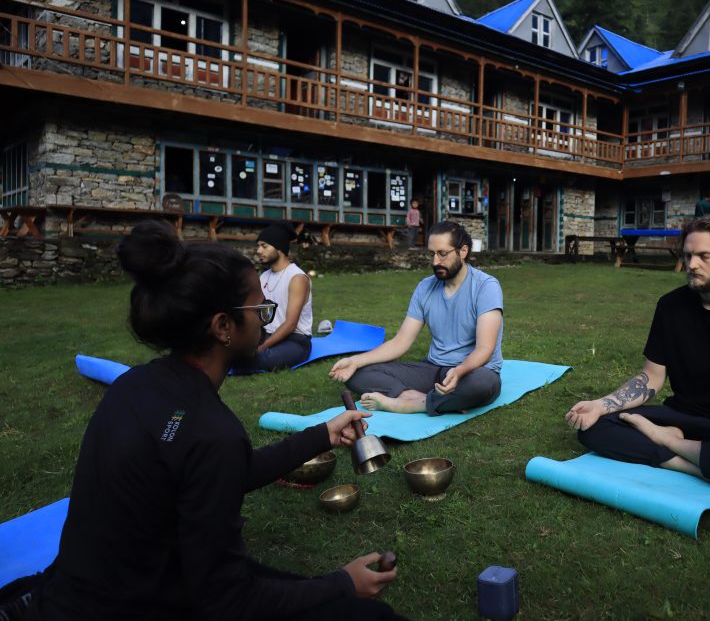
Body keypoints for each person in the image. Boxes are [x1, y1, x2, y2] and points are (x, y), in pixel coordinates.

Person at [3, 220, 405, 620]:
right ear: (223, 327)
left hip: (91, 586)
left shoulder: (135, 384)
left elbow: (216, 473)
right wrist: (342, 584)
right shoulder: (210, 432)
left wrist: (321, 435)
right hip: (137, 604)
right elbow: (227, 602)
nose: (265, 321)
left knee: (294, 587)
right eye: (260, 310)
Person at [565, 213, 710, 493]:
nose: (692, 265)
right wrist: (601, 405)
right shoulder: (671, 307)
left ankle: (668, 443)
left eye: (704, 256)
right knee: (595, 427)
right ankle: (691, 466)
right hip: (681, 415)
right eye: (688, 255)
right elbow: (651, 377)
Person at [330, 220, 503, 416]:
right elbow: (401, 342)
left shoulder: (486, 286)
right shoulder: (425, 288)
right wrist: (355, 361)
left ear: (463, 251)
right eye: (432, 254)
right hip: (433, 369)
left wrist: (460, 371)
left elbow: (485, 349)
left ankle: (414, 404)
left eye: (443, 254)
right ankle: (411, 396)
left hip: (471, 371)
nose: (435, 262)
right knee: (357, 373)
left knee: (482, 384)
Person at [235, 222, 313, 372]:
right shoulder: (264, 276)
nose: (258, 251)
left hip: (295, 340)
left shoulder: (296, 278)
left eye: (264, 246)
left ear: (279, 248)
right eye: (258, 246)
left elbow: (290, 325)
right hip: (266, 334)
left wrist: (260, 348)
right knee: (232, 349)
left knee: (257, 359)